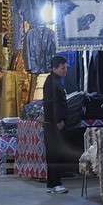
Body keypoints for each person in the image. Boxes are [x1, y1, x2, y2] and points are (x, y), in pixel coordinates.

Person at [42, 55, 74, 194]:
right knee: (55, 154)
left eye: (65, 67)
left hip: (52, 123)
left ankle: (52, 183)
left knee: (53, 153)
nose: (65, 70)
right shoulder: (52, 82)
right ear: (54, 68)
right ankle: (56, 183)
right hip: (54, 124)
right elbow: (52, 104)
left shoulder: (55, 81)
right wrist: (59, 120)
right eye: (62, 68)